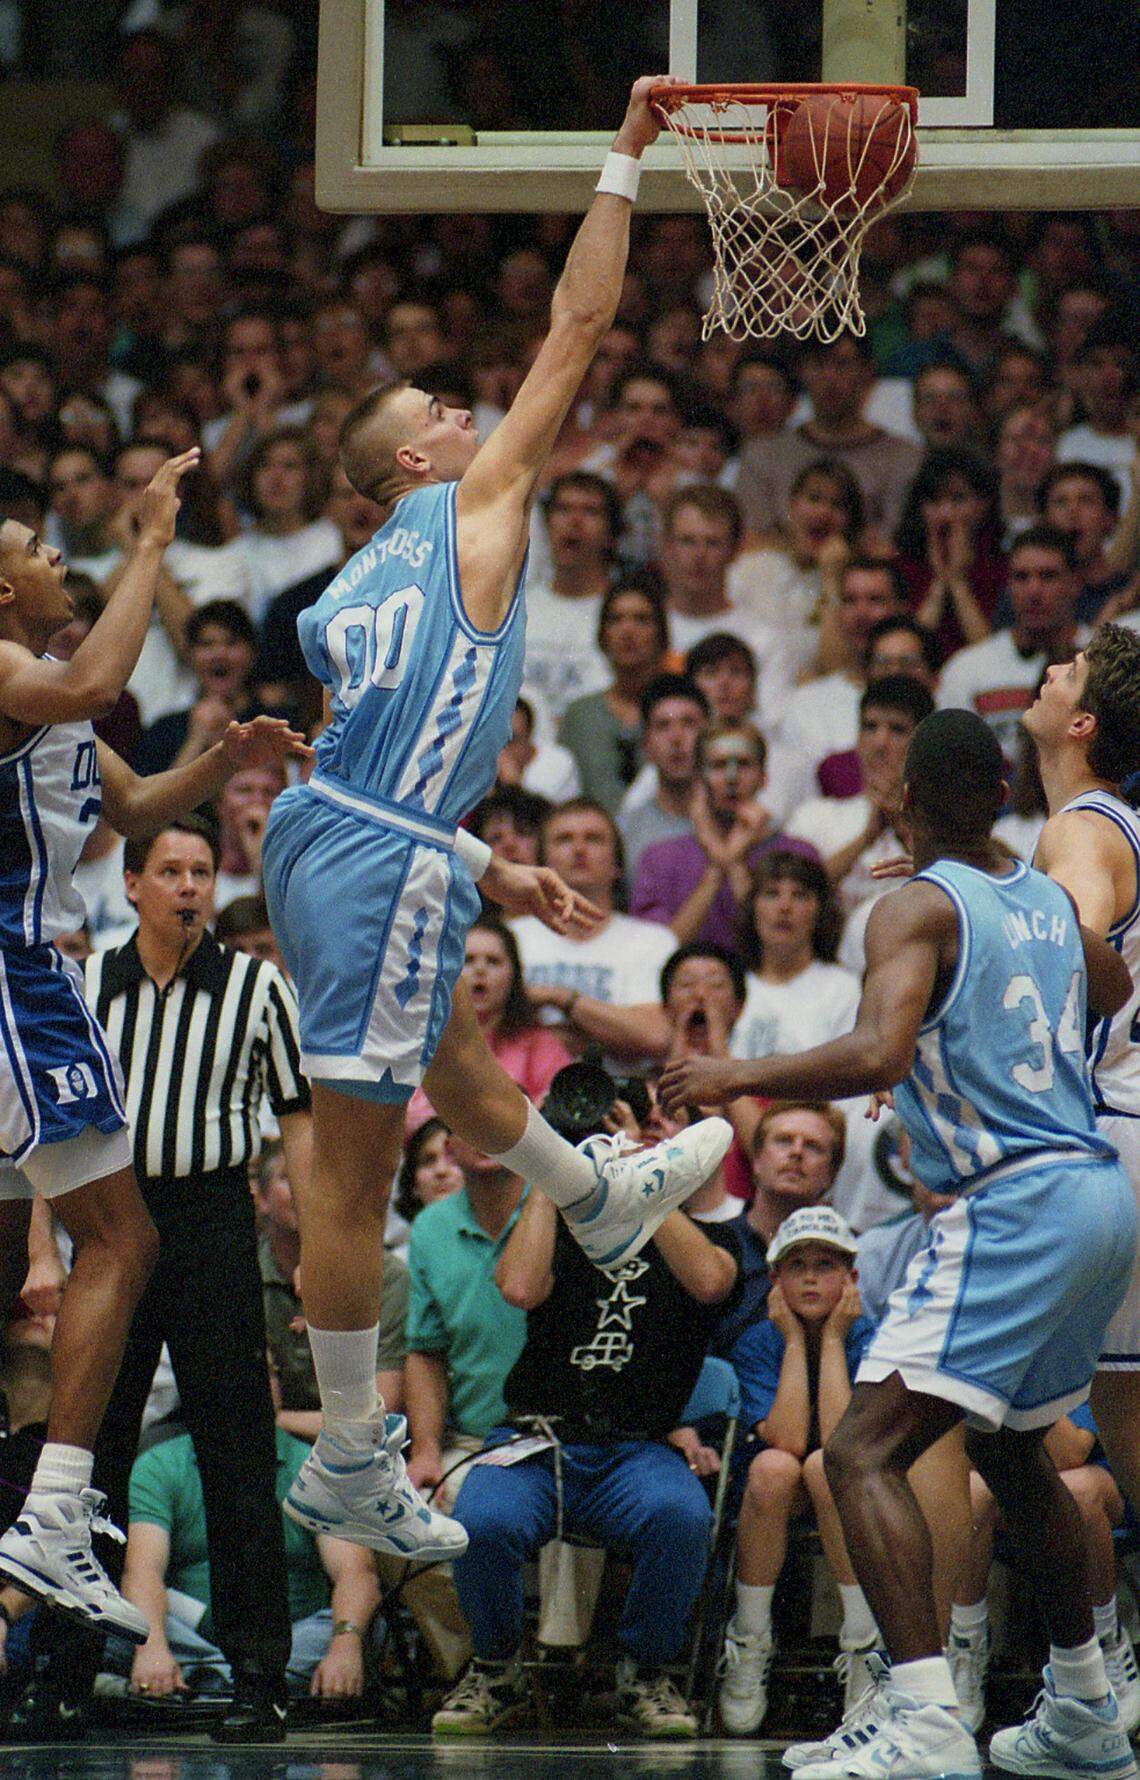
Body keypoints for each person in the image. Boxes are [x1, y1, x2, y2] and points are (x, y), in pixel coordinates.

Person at [260, 77, 733, 1568]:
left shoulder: (346, 588)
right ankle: (349, 1458)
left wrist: (482, 855)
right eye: (443, 415)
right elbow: (578, 330)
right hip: (373, 853)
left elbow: (367, 762)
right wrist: (625, 153)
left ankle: (595, 1191)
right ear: (414, 460)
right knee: (346, 1167)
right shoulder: (476, 508)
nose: (473, 417)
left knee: (450, 1062)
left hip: (344, 836)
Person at [660, 707, 1138, 1780]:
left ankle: (923, 1715)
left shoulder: (912, 906)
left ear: (904, 799)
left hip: (1011, 1201)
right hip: (1097, 1195)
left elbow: (880, 1048)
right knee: (1013, 1450)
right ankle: (1086, 1710)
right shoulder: (1044, 896)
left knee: (862, 1448)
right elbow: (1110, 983)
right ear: (1000, 799)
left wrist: (736, 1074)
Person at [0, 444, 303, 1652]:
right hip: (18, 972)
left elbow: (126, 806)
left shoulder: (48, 686)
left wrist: (223, 760)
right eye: (34, 550)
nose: (53, 556)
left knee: (118, 1237)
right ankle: (55, 1510)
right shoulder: (19, 672)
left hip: (37, 983)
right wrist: (147, 544)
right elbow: (95, 690)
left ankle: (56, 1509)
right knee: (123, 1236)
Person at [433, 1082, 741, 1741]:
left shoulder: (714, 1232)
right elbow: (518, 1287)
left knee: (682, 1517)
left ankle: (644, 1673)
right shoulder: (562, 1221)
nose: (629, 1132)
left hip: (638, 1446)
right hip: (539, 1441)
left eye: (656, 1123)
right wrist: (557, 1171)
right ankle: (497, 1671)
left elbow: (712, 1283)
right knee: (480, 1520)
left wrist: (643, 1184)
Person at [1026, 625, 1140, 1571]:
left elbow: (1074, 944)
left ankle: (927, 1683)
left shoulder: (1080, 827)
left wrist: (977, 924)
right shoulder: (1118, 828)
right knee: (1120, 1404)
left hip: (1106, 1131)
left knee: (949, 1397)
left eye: (1067, 672)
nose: (1049, 673)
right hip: (1125, 1125)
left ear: (1084, 721)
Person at [718, 1206, 879, 1737]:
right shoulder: (759, 1341)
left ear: (852, 1280)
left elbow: (839, 1446)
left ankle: (862, 1643)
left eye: (827, 1265)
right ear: (775, 1280)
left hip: (854, 1491)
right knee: (774, 1466)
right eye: (797, 1265)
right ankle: (751, 1637)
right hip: (777, 1494)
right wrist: (793, 1341)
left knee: (822, 1466)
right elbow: (786, 1436)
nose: (810, 1277)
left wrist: (832, 1340)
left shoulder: (870, 1338)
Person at [631, 721, 816, 949]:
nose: (731, 778)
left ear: (763, 777)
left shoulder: (799, 854)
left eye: (744, 764)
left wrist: (736, 863)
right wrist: (717, 868)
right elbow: (658, 953)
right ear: (698, 779)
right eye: (718, 765)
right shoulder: (659, 858)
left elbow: (782, 951)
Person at [405, 914, 572, 1135]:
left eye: (493, 961)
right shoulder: (414, 1040)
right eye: (468, 960)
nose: (480, 970)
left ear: (514, 975)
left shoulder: (542, 1047)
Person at [937, 524, 1085, 763]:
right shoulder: (966, 669)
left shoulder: (1101, 659)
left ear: (1075, 582)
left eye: (1048, 576)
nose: (1033, 591)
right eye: (1021, 577)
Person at [557, 576, 670, 816]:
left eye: (642, 619)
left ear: (661, 633)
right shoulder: (580, 716)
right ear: (602, 634)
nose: (628, 631)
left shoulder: (679, 712)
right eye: (616, 620)